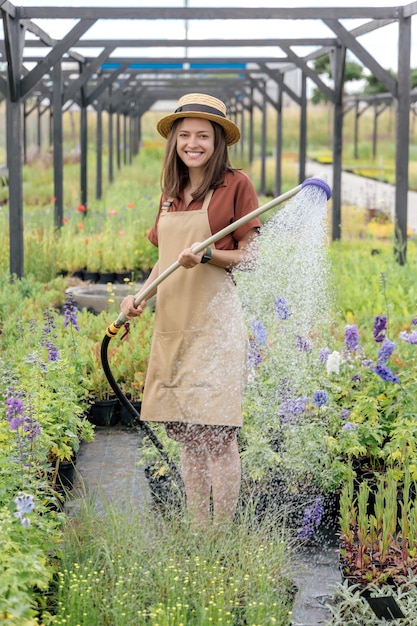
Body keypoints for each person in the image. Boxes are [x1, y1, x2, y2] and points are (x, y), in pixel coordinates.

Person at [120, 93, 262, 527]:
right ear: (175, 141)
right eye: (185, 135)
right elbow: (164, 259)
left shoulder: (236, 185)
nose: (193, 143)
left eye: (203, 135)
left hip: (216, 326)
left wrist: (207, 256)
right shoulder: (169, 192)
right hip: (173, 325)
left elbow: (250, 257)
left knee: (218, 435)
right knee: (187, 435)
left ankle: (222, 535)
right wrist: (138, 297)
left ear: (218, 140)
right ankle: (199, 528)